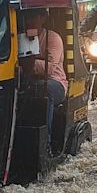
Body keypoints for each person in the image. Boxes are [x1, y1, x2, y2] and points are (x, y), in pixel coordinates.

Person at [23, 9, 67, 143]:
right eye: (27, 18)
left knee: (43, 90)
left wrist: (25, 64)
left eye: (33, 17)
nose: (30, 21)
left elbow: (50, 67)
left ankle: (45, 141)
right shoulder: (22, 38)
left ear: (43, 18)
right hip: (28, 81)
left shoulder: (53, 38)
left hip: (55, 83)